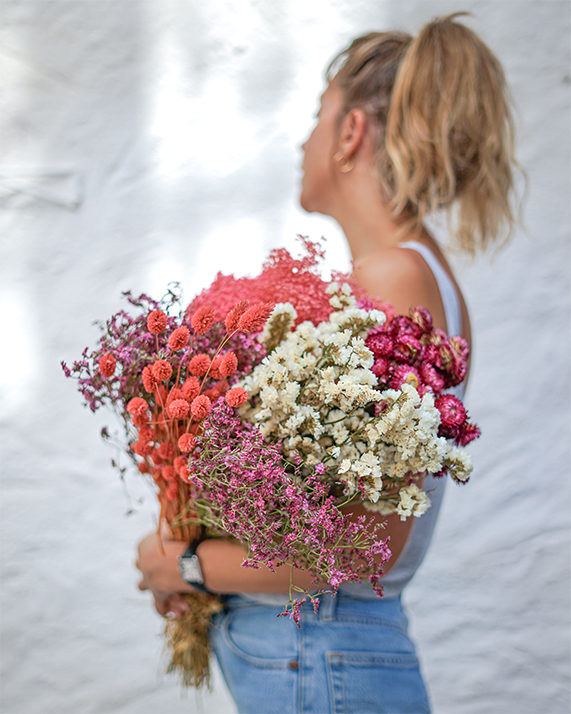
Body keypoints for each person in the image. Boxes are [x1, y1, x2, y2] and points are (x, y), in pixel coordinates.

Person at [136, 13, 517, 713]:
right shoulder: (413, 273)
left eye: (317, 115)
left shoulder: (395, 279)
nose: (303, 138)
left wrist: (186, 564)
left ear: (349, 134)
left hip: (319, 654)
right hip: (322, 658)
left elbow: (363, 544)